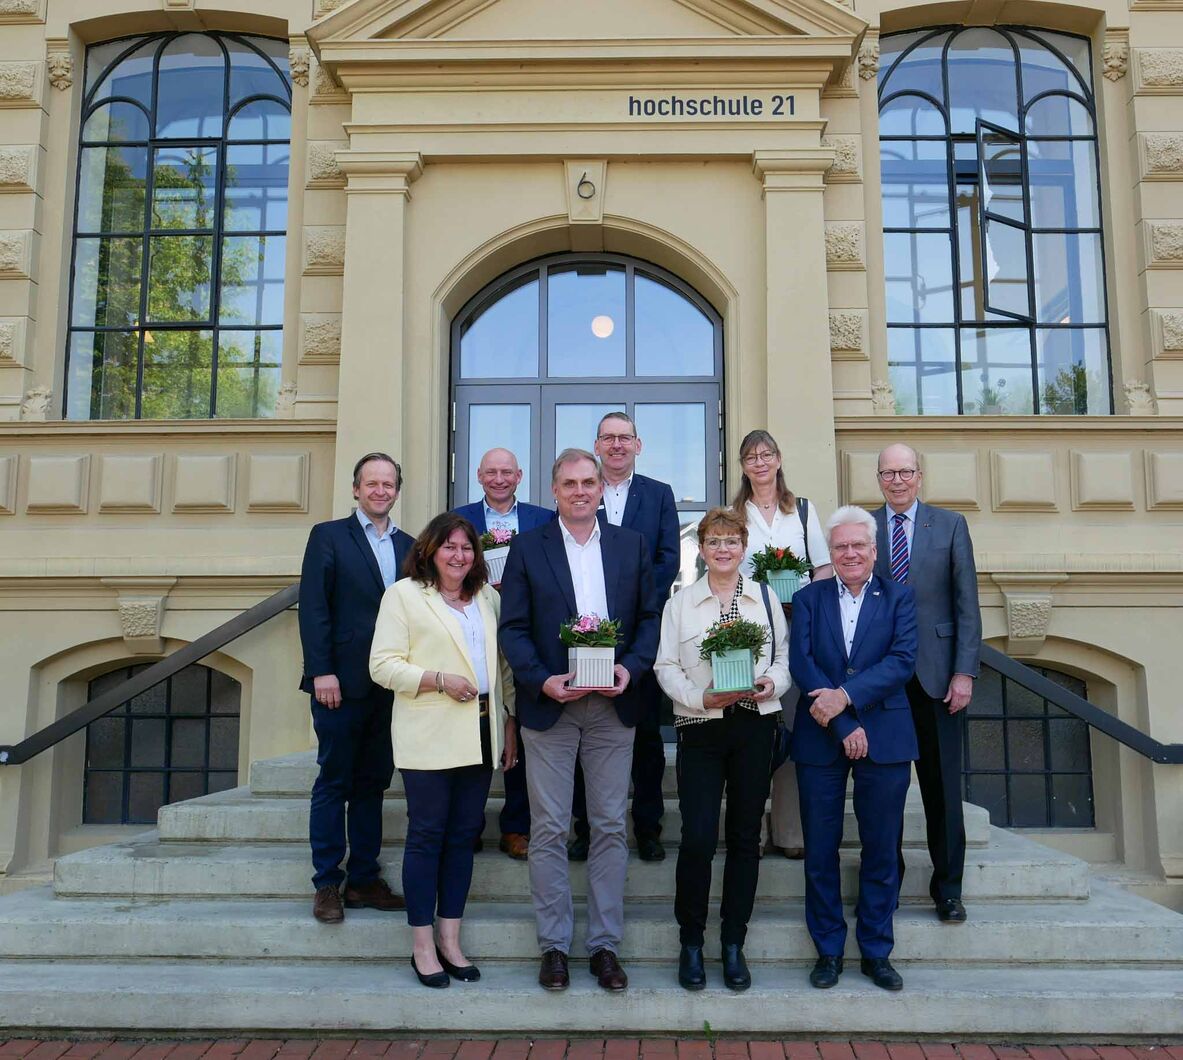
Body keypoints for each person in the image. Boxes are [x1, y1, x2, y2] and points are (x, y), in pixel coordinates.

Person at [498, 448, 661, 993]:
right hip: (551, 706)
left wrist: (631, 669)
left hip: (614, 706)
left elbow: (649, 619)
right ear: (554, 490)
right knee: (548, 828)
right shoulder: (527, 548)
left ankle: (604, 945)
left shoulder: (630, 545)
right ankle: (554, 946)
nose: (580, 491)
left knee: (610, 825)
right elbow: (513, 628)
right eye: (569, 484)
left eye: (589, 482)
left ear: (600, 487)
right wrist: (541, 679)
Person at [369, 513, 517, 989]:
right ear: (430, 551)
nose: (459, 555)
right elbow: (382, 666)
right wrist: (436, 679)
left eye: (467, 547)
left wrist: (509, 722)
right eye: (449, 547)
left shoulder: (488, 597)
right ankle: (422, 946)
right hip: (429, 735)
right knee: (427, 836)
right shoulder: (404, 595)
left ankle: (450, 941)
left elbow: (503, 669)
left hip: (481, 733)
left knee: (463, 837)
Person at [654, 506, 789, 992]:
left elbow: (783, 657)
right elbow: (665, 666)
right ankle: (691, 942)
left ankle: (734, 942)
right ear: (702, 548)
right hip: (701, 727)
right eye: (714, 541)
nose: (723, 549)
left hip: (755, 725)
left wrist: (770, 684)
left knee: (745, 837)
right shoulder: (680, 604)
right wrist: (698, 697)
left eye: (732, 541)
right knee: (697, 837)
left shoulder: (765, 598)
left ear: (744, 547)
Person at [789, 505, 918, 993]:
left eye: (858, 545)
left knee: (881, 848)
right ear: (831, 551)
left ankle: (876, 951)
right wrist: (842, 720)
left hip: (885, 734)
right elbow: (802, 663)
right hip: (821, 735)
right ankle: (828, 951)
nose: (850, 553)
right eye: (840, 546)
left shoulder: (899, 597)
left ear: (874, 550)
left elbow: (902, 661)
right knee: (820, 850)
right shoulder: (809, 598)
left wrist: (846, 697)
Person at [298, 452, 414, 924]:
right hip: (339, 684)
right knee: (334, 781)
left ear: (397, 491)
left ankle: (364, 878)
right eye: (372, 483)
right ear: (356, 489)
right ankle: (327, 882)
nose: (380, 491)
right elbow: (314, 607)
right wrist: (321, 671)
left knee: (373, 783)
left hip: (389, 687)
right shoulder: (328, 536)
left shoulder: (409, 546)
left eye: (388, 484)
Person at [872, 443, 982, 923]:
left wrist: (964, 672)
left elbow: (966, 604)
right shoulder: (865, 528)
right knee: (885, 792)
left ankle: (949, 889)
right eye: (888, 473)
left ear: (919, 475)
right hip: (883, 681)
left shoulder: (950, 525)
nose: (897, 481)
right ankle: (886, 885)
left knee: (942, 791)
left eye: (905, 472)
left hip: (938, 678)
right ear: (878, 478)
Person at [568, 412, 679, 863]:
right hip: (583, 635)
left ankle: (648, 828)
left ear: (638, 444)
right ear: (596, 445)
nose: (616, 445)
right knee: (583, 736)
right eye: (608, 438)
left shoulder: (658, 494)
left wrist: (632, 604)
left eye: (624, 437)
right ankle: (585, 829)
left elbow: (668, 558)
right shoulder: (581, 493)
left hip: (640, 636)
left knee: (646, 737)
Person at [732, 429, 832, 859]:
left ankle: (790, 832)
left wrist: (806, 604)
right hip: (752, 635)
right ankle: (749, 832)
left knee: (793, 731)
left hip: (797, 633)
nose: (760, 462)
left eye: (766, 454)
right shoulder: (733, 514)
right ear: (743, 466)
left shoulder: (802, 510)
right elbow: (723, 569)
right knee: (752, 736)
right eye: (751, 457)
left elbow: (823, 569)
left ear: (778, 459)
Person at [453, 447, 556, 862]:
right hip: (470, 631)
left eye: (507, 472)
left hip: (526, 634)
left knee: (522, 727)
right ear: (479, 476)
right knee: (472, 728)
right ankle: (468, 824)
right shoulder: (458, 520)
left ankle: (517, 826)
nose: (499, 479)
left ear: (519, 476)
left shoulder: (542, 519)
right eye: (491, 472)